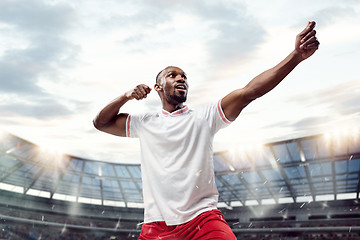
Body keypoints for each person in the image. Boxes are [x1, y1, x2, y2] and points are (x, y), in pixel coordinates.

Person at [93, 21, 320, 240]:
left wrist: (296, 57)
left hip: (202, 220)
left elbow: (250, 91)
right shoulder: (144, 122)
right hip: (157, 226)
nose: (181, 78)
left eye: (184, 76)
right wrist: (126, 96)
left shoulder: (204, 116)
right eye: (173, 75)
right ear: (158, 87)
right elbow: (100, 123)